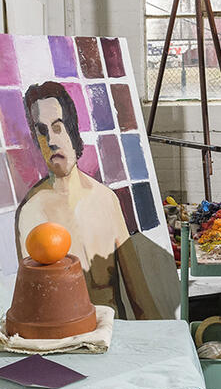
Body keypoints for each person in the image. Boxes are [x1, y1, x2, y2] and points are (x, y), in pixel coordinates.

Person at [15, 81, 159, 319]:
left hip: (115, 332)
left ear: (73, 130)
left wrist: (163, 337)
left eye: (58, 127)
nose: (51, 140)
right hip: (65, 336)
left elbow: (140, 297)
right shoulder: (31, 212)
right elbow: (33, 305)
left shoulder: (105, 200)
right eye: (42, 131)